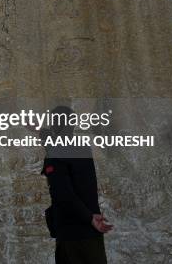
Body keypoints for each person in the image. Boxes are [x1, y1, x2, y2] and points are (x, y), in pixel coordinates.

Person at [41, 106, 113, 264]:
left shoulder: (55, 152)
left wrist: (89, 218)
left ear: (54, 126)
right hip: (91, 231)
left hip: (73, 235)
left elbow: (63, 194)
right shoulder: (83, 147)